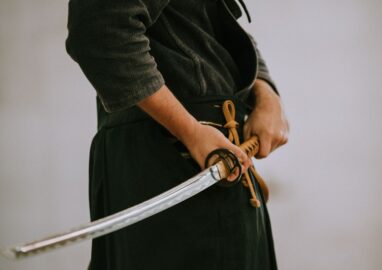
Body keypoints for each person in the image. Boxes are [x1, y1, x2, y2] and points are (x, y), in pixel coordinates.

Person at [66, 0, 289, 269]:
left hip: (217, 160)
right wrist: (191, 131)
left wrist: (266, 95)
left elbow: (214, 28)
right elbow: (99, 28)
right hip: (173, 160)